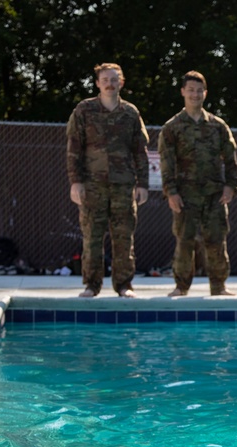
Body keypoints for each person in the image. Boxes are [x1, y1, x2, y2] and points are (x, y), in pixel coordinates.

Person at [66, 62, 149, 298]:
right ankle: (92, 285)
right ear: (97, 84)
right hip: (92, 186)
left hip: (124, 186)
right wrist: (76, 181)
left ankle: (124, 285)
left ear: (121, 83)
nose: (110, 84)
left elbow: (140, 151)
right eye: (105, 80)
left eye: (114, 80)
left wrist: (142, 183)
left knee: (124, 238)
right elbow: (73, 147)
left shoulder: (131, 113)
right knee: (92, 237)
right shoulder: (84, 110)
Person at [158, 71, 237, 297]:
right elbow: (166, 163)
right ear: (183, 92)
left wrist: (231, 185)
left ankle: (219, 286)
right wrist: (171, 192)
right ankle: (181, 287)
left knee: (216, 241)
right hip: (185, 196)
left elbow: (231, 159)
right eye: (190, 90)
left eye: (199, 90)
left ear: (205, 93)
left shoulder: (217, 126)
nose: (195, 94)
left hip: (214, 194)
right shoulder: (172, 127)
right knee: (184, 242)